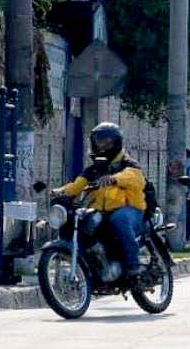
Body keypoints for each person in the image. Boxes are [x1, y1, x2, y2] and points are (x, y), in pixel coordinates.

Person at [54, 122, 148, 284]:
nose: (102, 145)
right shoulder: (94, 169)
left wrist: (114, 178)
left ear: (116, 142)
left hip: (130, 209)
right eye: (98, 141)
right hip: (102, 211)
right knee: (85, 224)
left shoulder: (127, 163)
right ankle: (98, 263)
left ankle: (133, 264)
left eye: (106, 141)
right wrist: (61, 191)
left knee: (119, 219)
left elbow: (135, 177)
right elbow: (77, 185)